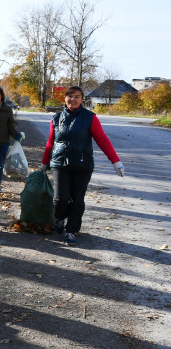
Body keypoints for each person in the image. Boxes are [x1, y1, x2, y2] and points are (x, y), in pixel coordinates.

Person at [40, 86, 124, 246]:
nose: (73, 100)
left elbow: (103, 140)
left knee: (77, 200)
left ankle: (71, 231)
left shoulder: (90, 118)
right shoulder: (56, 118)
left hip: (82, 164)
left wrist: (116, 161)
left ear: (82, 99)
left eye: (77, 97)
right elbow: (51, 142)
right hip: (59, 163)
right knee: (61, 199)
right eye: (70, 96)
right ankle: (59, 217)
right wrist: (45, 163)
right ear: (65, 98)